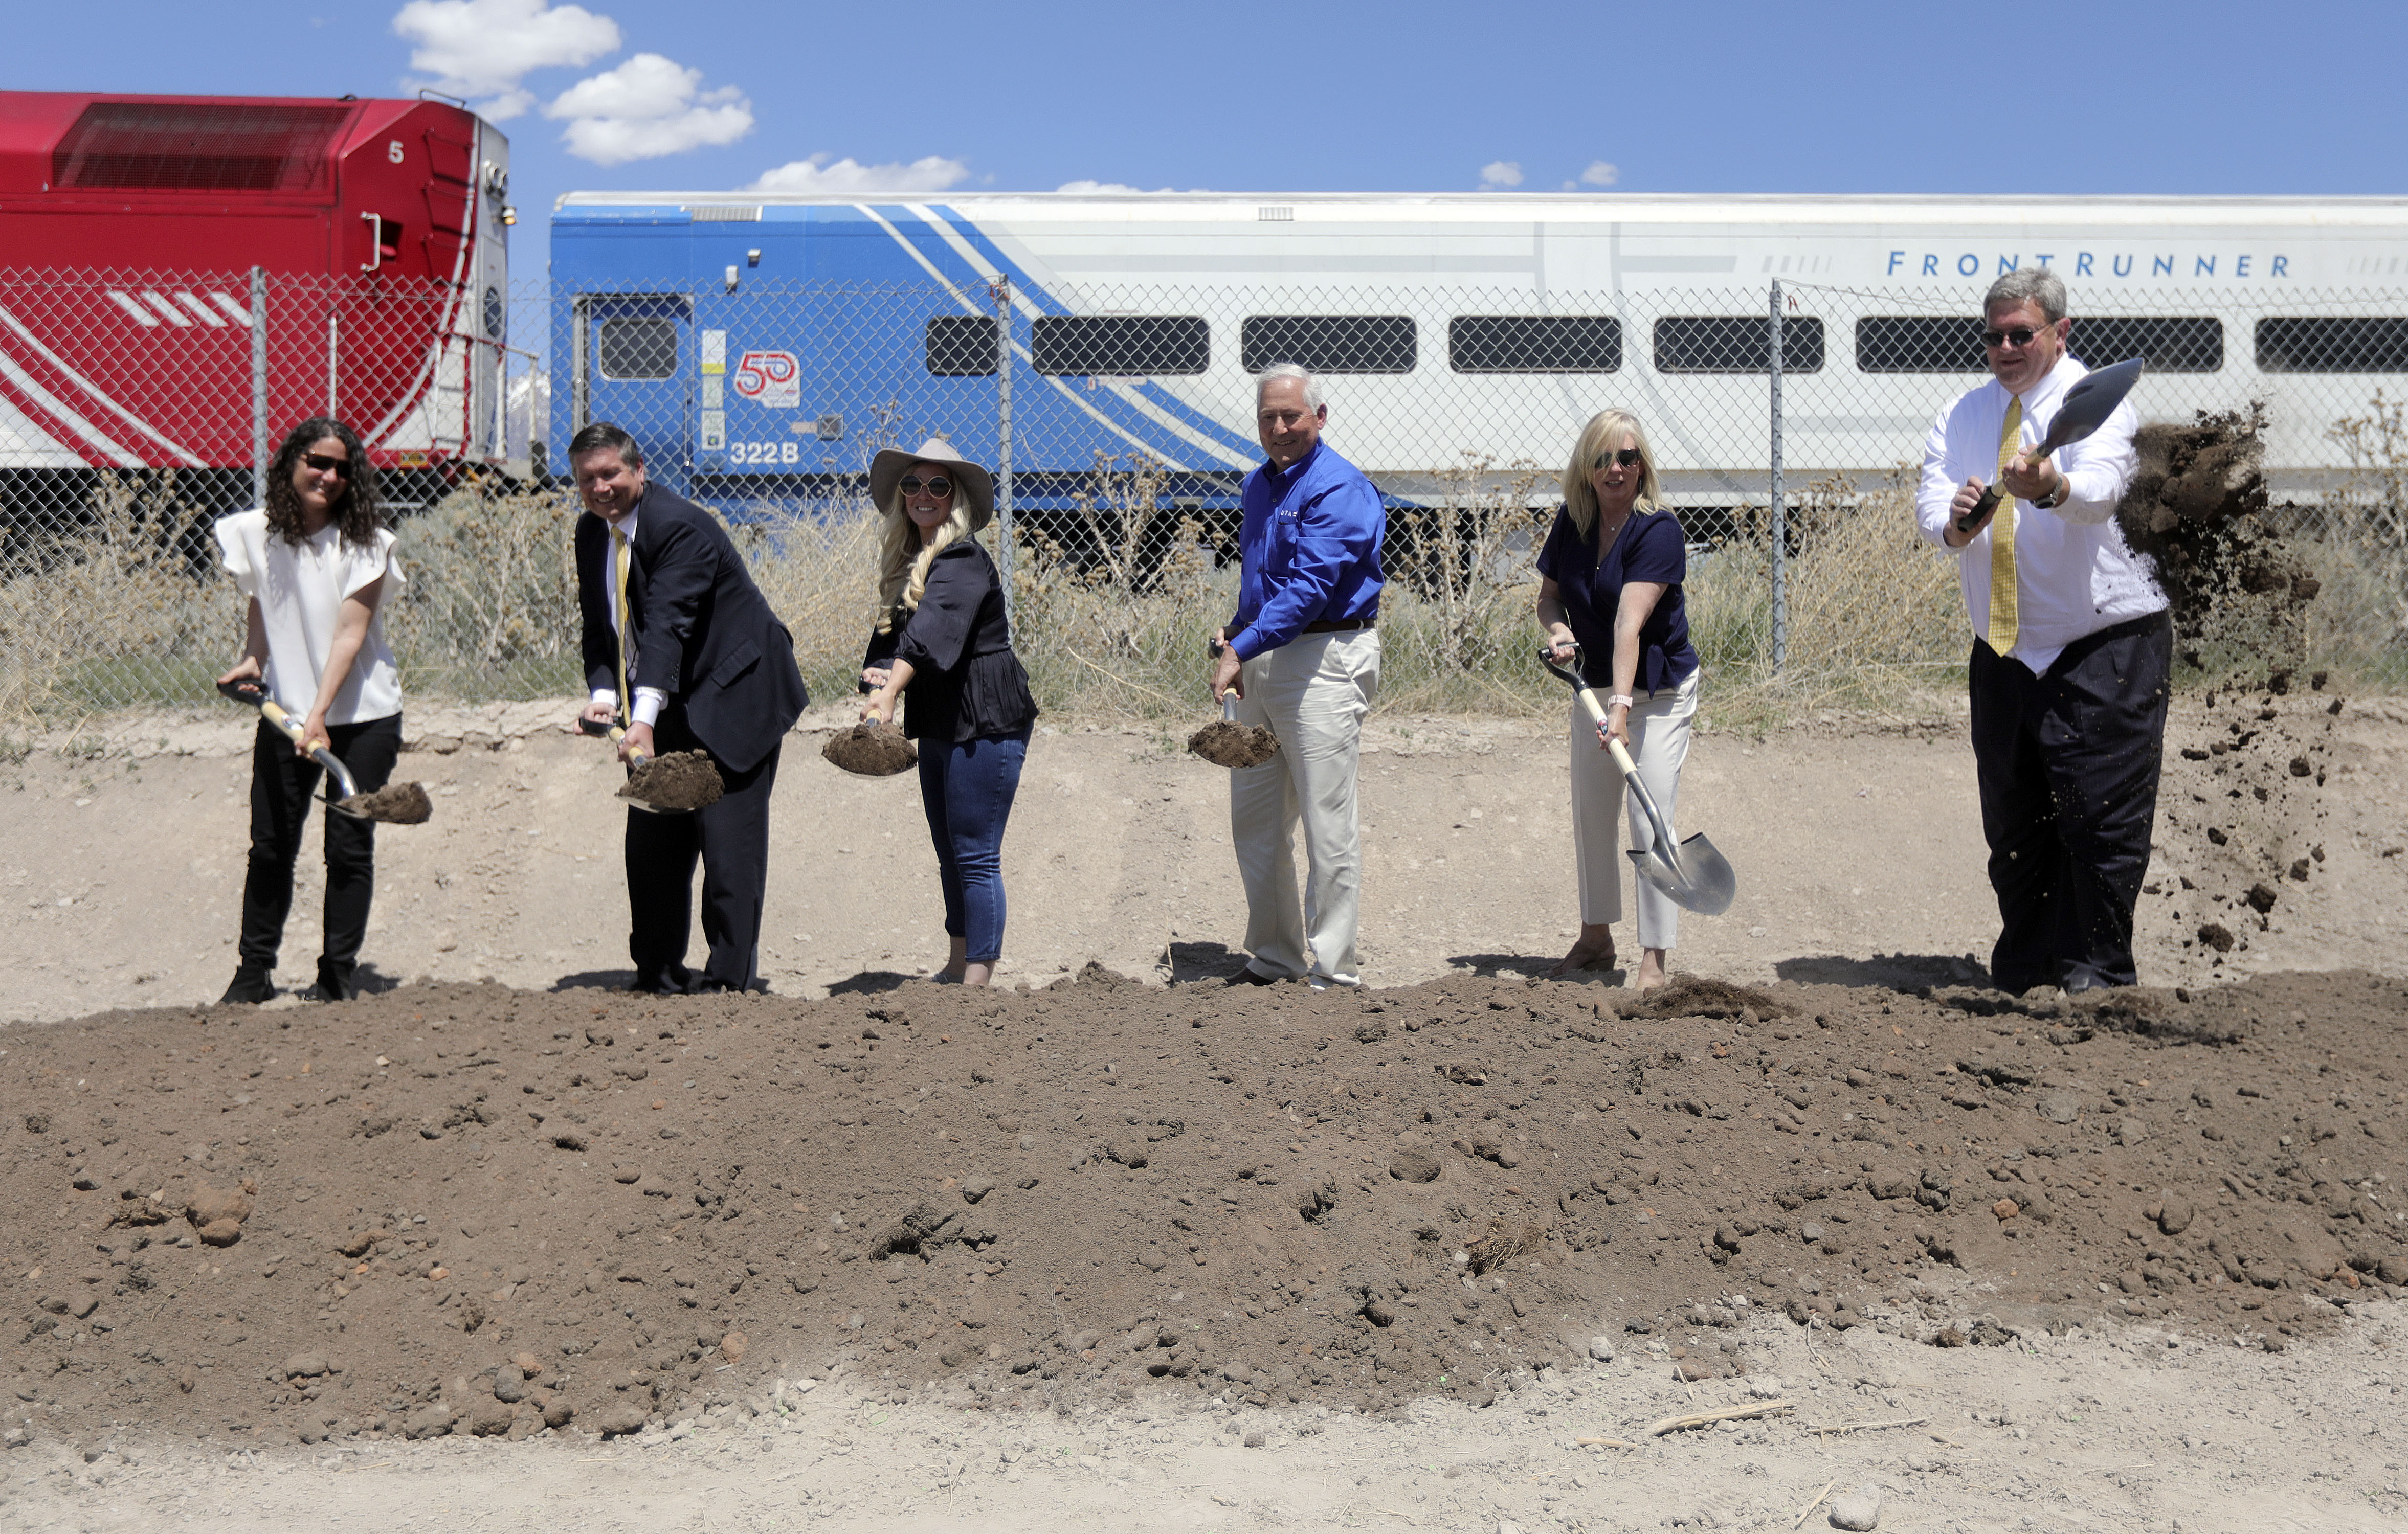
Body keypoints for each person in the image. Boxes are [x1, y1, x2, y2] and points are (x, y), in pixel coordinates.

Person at [1915, 268, 2162, 994]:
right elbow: (1933, 501)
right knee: (2016, 826)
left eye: (2021, 334)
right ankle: (2026, 969)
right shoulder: (1962, 415)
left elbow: (2103, 492)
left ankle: (2097, 974)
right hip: (2003, 647)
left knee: (2099, 821)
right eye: (1992, 336)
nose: (2004, 347)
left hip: (2104, 642)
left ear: (2060, 332)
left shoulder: (2098, 407)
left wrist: (2052, 486)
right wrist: (1957, 518)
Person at [570, 422, 809, 994]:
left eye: (611, 474)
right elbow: (601, 627)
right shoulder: (591, 533)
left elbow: (668, 628)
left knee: (729, 849)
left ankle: (728, 983)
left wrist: (643, 721)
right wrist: (606, 698)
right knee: (653, 847)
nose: (601, 488)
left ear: (639, 470)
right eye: (587, 479)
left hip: (736, 696)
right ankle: (656, 972)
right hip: (665, 698)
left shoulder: (679, 527)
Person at [213, 418, 405, 1004]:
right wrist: (254, 658)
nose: (330, 476)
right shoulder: (256, 532)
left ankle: (336, 975)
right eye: (318, 462)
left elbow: (350, 635)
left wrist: (319, 713)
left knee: (347, 846)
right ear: (291, 463)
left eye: (344, 468)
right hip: (287, 713)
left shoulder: (367, 542)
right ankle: (253, 975)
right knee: (271, 845)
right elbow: (264, 597)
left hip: (363, 714)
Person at [1207, 363, 1385, 989]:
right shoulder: (1261, 485)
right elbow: (1261, 582)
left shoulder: (1341, 489)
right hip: (1264, 658)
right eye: (1267, 417)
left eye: (1291, 415)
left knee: (1325, 819)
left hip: (1326, 660)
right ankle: (1276, 955)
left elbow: (1311, 588)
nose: (1279, 427)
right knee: (1255, 819)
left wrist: (1244, 646)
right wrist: (1234, 636)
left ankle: (1334, 971)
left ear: (1319, 417)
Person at [858, 438, 1039, 986]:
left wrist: (890, 692)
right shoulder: (916, 560)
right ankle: (959, 963)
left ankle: (978, 978)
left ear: (955, 496)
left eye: (938, 485)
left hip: (984, 714)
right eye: (912, 484)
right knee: (949, 853)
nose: (922, 494)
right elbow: (896, 637)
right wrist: (875, 677)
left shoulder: (962, 558)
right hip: (940, 713)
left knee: (975, 853)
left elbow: (933, 630)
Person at [1535, 410, 1700, 990]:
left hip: (1654, 692)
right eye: (1603, 458)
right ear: (1586, 466)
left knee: (1647, 814)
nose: (1615, 469)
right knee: (1592, 812)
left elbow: (1630, 624)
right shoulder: (1573, 523)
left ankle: (1654, 959)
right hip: (1593, 686)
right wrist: (1557, 633)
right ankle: (1596, 937)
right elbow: (1550, 598)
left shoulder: (1657, 529)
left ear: (1642, 466)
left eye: (1627, 458)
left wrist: (1623, 711)